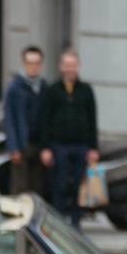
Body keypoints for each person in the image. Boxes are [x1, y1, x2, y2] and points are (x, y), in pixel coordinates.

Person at [39, 48, 99, 227]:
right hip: (59, 147)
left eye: (72, 65)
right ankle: (59, 224)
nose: (69, 68)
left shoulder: (86, 90)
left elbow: (92, 119)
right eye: (66, 65)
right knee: (59, 185)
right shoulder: (52, 90)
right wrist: (46, 148)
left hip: (81, 146)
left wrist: (93, 147)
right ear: (60, 66)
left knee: (78, 187)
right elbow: (45, 120)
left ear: (78, 66)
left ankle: (76, 223)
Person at [2, 45, 47, 196]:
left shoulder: (44, 86)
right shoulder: (15, 87)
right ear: (24, 63)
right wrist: (13, 147)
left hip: (39, 146)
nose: (33, 67)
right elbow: (9, 118)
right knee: (19, 189)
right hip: (21, 146)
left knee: (37, 189)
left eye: (36, 63)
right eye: (30, 63)